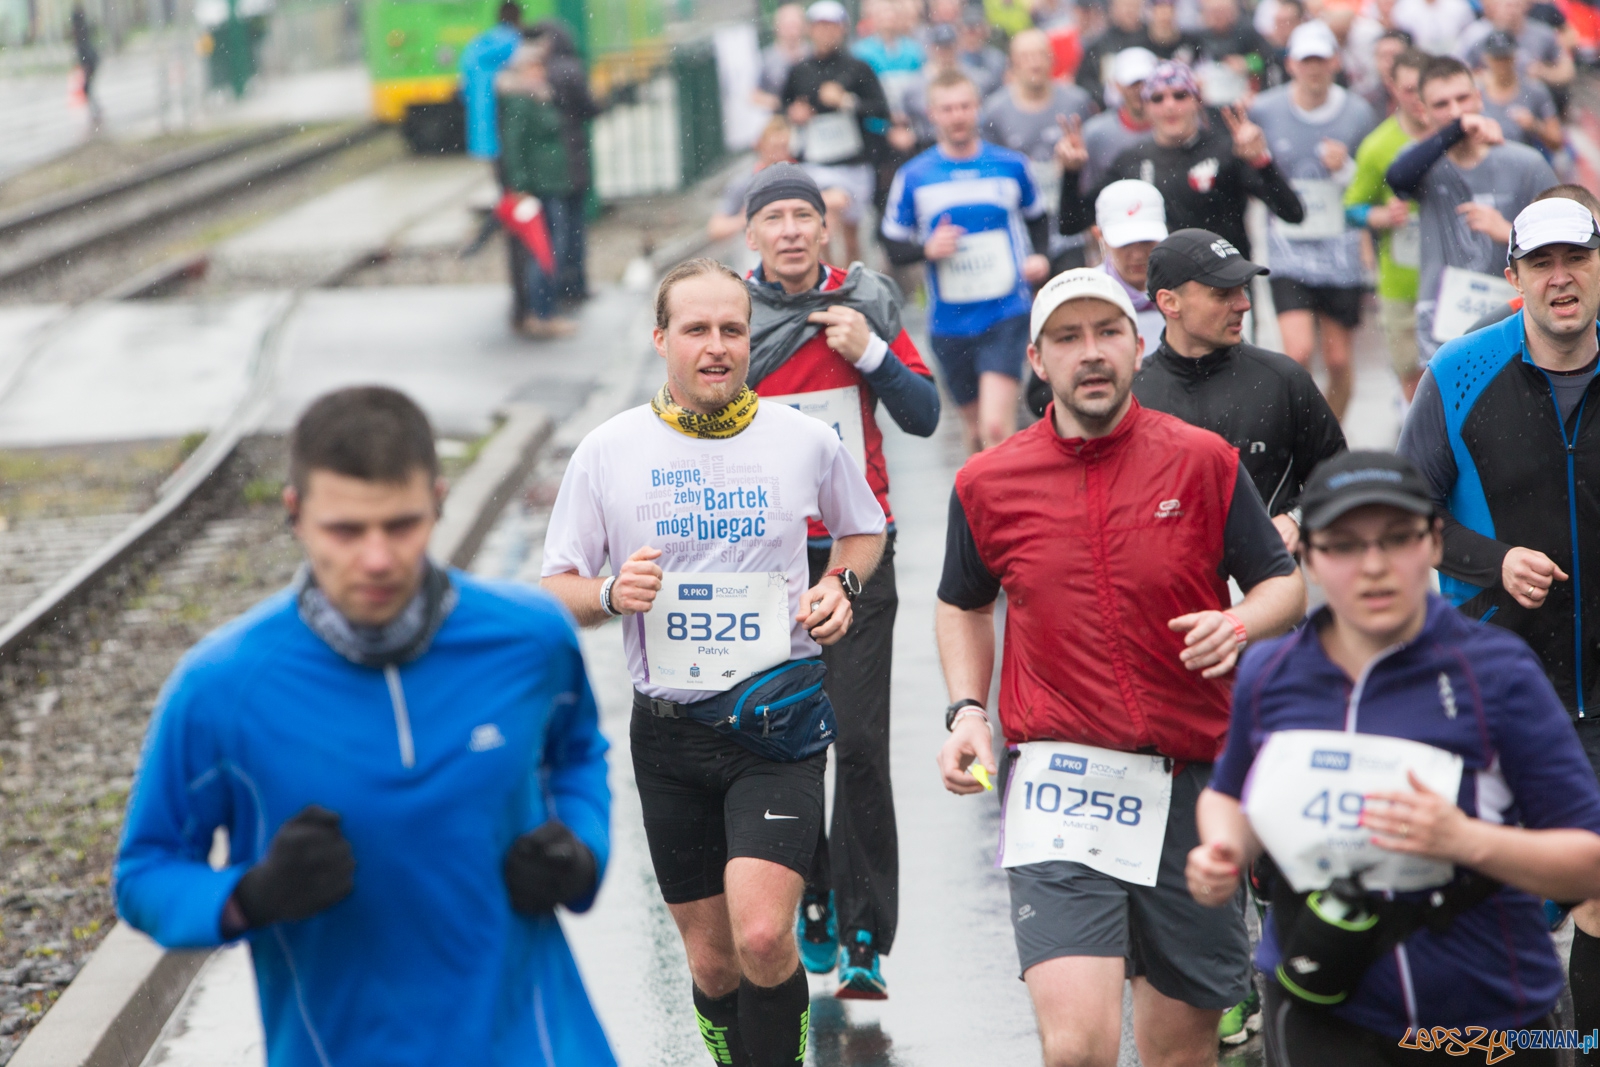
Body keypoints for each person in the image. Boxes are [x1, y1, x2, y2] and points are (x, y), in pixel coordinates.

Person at [115, 387, 614, 1066]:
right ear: (295, 515)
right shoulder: (219, 687)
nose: (377, 558)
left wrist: (580, 849)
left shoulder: (530, 638)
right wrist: (249, 896)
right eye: (346, 530)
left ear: (437, 502)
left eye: (401, 524)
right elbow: (145, 871)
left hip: (542, 1046)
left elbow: (577, 754)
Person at [937, 267, 1305, 1067]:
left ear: (1138, 346)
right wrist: (968, 710)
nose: (1091, 353)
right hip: (1061, 784)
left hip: (1189, 782)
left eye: (1107, 332)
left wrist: (1237, 621)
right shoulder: (988, 483)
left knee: (1180, 1053)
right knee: (1079, 1049)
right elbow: (962, 600)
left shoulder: (1202, 462)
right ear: (1038, 359)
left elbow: (1284, 582)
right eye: (1067, 338)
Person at [542, 258, 886, 1067]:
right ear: (661, 339)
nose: (717, 345)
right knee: (714, 961)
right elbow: (557, 588)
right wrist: (609, 590)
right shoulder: (609, 450)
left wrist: (840, 584)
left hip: (778, 723)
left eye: (733, 329)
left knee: (765, 935)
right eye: (696, 329)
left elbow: (863, 530)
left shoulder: (803, 439)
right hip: (668, 736)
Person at [1190, 450, 1600, 1067]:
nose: (1374, 566)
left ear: (1433, 541)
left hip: (1484, 1017)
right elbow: (1228, 791)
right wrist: (1222, 846)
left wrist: (1465, 840)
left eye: (1397, 539)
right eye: (1345, 545)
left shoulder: (1496, 672)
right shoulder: (1272, 673)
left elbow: (1588, 862)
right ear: (1310, 560)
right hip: (1319, 1002)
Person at [1397, 195, 1600, 1051]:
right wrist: (1490, 561)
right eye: (1541, 264)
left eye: (1578, 259)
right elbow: (1402, 518)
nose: (1562, 280)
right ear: (1512, 276)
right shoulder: (1461, 371)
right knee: (1503, 903)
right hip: (1498, 685)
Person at [738, 164, 941, 1001]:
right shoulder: (730, 320)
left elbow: (924, 413)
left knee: (857, 744)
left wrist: (873, 357)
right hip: (759, 564)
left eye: (804, 216)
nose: (789, 230)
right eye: (773, 217)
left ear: (827, 230)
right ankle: (812, 894)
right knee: (787, 740)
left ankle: (864, 932)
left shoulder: (866, 304)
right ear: (750, 236)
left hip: (857, 554)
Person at [1136, 228, 1347, 556]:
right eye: (1222, 294)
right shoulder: (1134, 395)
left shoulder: (1282, 379)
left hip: (1270, 591)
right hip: (1169, 597)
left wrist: (1296, 518)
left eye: (1243, 289)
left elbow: (1339, 472)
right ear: (1169, 302)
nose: (1244, 304)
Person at [881, 69, 1052, 452]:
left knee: (996, 428)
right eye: (947, 108)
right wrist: (926, 249)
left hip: (1006, 311)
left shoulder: (1011, 165)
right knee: (975, 435)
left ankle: (1012, 512)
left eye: (964, 106)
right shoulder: (914, 176)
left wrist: (1040, 256)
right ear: (932, 114)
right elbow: (892, 243)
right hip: (950, 323)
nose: (957, 115)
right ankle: (980, 510)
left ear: (977, 108)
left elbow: (1038, 218)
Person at [1384, 56, 1555, 363]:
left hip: (1512, 311)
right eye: (1441, 104)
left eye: (1463, 99)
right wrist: (1458, 128)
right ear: (1422, 111)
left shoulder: (1524, 162)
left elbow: (1560, 236)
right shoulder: (1423, 164)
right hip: (1441, 315)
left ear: (1479, 97)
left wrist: (1508, 232)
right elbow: (1397, 178)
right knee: (1448, 410)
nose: (1455, 110)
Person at [1249, 20, 1379, 422]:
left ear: (1335, 62)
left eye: (1321, 60)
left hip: (1339, 249)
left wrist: (1346, 169)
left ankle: (1329, 435)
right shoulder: (1266, 110)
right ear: (1291, 65)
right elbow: (1253, 176)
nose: (1314, 69)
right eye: (1306, 61)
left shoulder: (1357, 112)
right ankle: (1299, 432)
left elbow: (1373, 183)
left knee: (1339, 360)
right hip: (1289, 248)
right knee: (1298, 352)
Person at [1056, 60, 1305, 267]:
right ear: (1146, 106)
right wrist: (1071, 173)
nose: (1170, 106)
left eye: (1179, 95)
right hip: (1164, 296)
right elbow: (1071, 223)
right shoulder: (1131, 160)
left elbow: (1293, 213)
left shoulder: (1226, 151)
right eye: (1158, 98)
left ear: (1197, 100)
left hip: (1224, 289)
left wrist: (1262, 162)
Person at [1023, 178, 1169, 416]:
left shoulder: (1186, 293)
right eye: (1125, 243)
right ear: (1098, 235)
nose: (1138, 253)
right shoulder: (1073, 296)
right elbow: (1039, 396)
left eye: (1147, 241)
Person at [1345, 47, 1432, 403]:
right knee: (1411, 377)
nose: (1417, 98)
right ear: (1392, 88)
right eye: (1409, 89)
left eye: (1423, 87)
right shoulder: (1378, 146)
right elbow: (1351, 209)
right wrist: (1379, 216)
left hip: (1449, 281)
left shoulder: (1456, 138)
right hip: (1400, 282)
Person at [784, 0, 892, 267]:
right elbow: (782, 108)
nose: (825, 33)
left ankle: (847, 284)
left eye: (831, 26)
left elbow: (882, 111)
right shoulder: (800, 70)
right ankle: (828, 282)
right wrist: (794, 114)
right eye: (820, 26)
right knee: (827, 225)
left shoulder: (858, 68)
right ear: (810, 30)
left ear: (843, 29)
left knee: (851, 236)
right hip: (817, 164)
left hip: (854, 162)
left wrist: (847, 101)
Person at [980, 29, 1096, 272]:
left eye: (1040, 55)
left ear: (1052, 59)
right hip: (1021, 225)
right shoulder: (995, 110)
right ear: (1012, 64)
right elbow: (989, 169)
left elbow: (1092, 162)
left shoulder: (1077, 102)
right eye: (1025, 56)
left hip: (1067, 223)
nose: (1033, 63)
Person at [498, 42, 579, 339]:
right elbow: (515, 145)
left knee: (552, 249)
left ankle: (546, 310)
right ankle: (541, 312)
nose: (539, 72)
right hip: (538, 187)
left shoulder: (540, 97)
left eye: (540, 67)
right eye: (533, 67)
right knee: (545, 251)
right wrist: (520, 186)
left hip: (551, 183)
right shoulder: (522, 100)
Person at [530, 20, 601, 307]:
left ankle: (557, 288)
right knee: (574, 228)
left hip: (552, 165)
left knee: (556, 230)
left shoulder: (542, 72)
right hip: (574, 157)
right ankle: (576, 285)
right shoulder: (571, 69)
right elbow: (590, 108)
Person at [1076, 47, 1158, 194]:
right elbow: (1086, 192)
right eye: (1133, 83)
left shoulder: (1175, 130)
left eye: (1146, 82)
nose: (1140, 90)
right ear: (1117, 85)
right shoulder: (1095, 133)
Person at [1475, 29, 1564, 156]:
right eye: (1497, 58)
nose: (1502, 64)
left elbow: (1557, 141)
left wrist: (1535, 126)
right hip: (1485, 162)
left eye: (1506, 57)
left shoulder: (1534, 90)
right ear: (1486, 58)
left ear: (1515, 56)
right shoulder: (1476, 91)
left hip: (1523, 162)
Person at [708, 116, 797, 243]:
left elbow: (834, 196)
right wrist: (747, 219)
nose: (780, 154)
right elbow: (715, 229)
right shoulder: (743, 183)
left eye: (784, 146)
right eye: (775, 147)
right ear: (760, 145)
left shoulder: (803, 175)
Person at [1457, 0, 1574, 94]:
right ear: (1494, 7)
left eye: (1516, 5)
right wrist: (1488, 78)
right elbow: (1460, 73)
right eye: (1507, 5)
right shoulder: (1478, 36)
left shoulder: (1544, 34)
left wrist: (1543, 72)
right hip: (1493, 103)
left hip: (1536, 103)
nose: (1512, 11)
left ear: (1527, 6)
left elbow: (1567, 71)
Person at [461, 0, 522, 161]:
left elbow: (466, 74)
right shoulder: (513, 40)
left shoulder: (481, 41)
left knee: (495, 157)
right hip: (504, 111)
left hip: (481, 109)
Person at [1076, 0, 1148, 105]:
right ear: (1113, 8)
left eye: (1133, 6)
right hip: (1110, 106)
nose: (1129, 10)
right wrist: (1104, 97)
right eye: (1125, 6)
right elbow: (1085, 80)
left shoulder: (1153, 38)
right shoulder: (1099, 44)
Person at [755, 3, 812, 113]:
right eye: (787, 26)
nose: (792, 31)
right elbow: (754, 94)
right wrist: (781, 104)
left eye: (795, 26)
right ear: (777, 27)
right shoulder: (766, 58)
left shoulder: (812, 53)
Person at [1391, 0, 1475, 58]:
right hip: (1420, 60)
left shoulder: (1459, 5)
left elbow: (1468, 34)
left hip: (1457, 57)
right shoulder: (1404, 8)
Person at [957, 5, 1008, 97]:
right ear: (960, 30)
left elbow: (1003, 87)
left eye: (976, 28)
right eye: (969, 28)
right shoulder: (954, 57)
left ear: (985, 30)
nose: (972, 32)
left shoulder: (997, 57)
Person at [70, 3, 99, 123]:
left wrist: (85, 64)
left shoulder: (79, 32)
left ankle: (94, 112)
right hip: (91, 60)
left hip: (89, 61)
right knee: (88, 87)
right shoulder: (83, 29)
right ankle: (95, 111)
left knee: (87, 87)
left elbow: (83, 50)